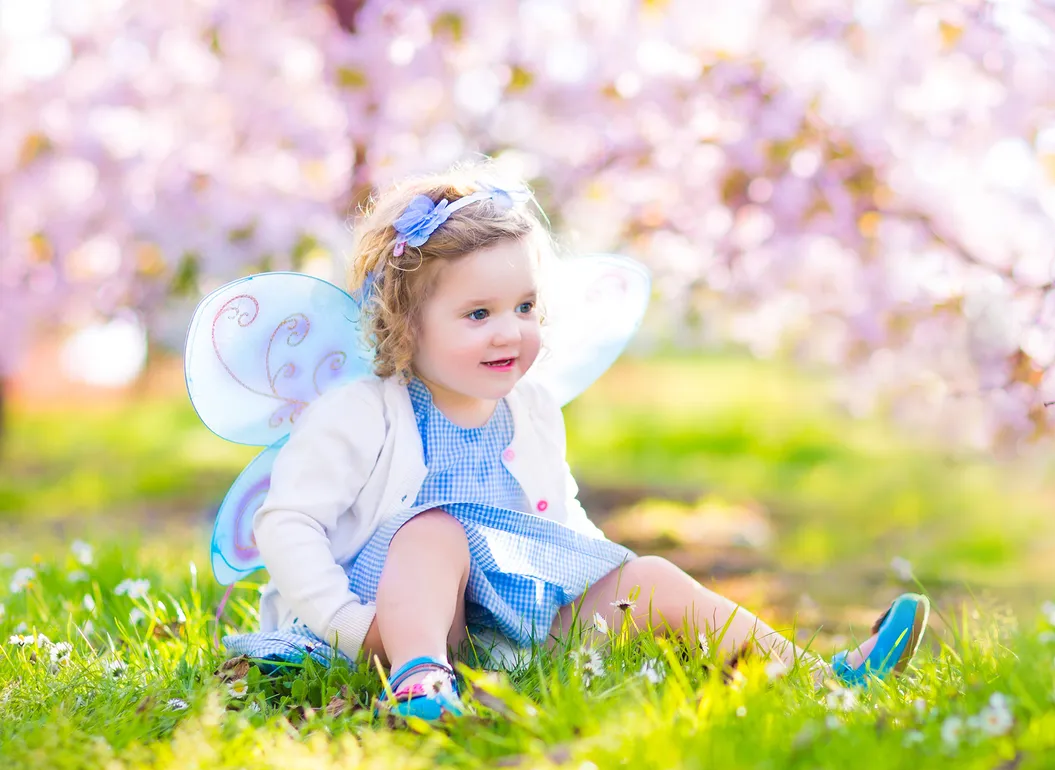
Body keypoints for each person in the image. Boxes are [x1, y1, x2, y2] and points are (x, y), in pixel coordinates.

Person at [218, 162, 930, 721]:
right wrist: (349, 625)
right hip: (387, 626)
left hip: (501, 631)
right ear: (405, 324)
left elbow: (558, 522)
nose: (511, 331)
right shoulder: (363, 412)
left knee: (648, 576)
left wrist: (606, 582)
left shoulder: (529, 409)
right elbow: (287, 523)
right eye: (478, 313)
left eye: (525, 307)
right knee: (435, 530)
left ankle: (822, 677)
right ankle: (419, 682)